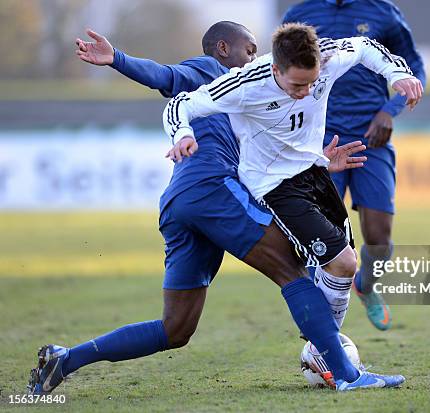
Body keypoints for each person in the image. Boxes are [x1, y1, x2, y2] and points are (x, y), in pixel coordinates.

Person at [28, 22, 378, 395]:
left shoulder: (254, 98)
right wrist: (117, 59)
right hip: (211, 189)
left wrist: (314, 162)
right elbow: (165, 75)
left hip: (182, 202)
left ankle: (65, 359)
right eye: (250, 49)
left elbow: (265, 161)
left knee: (175, 329)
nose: (255, 58)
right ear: (223, 48)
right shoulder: (212, 70)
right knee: (292, 271)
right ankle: (346, 375)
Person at [163, 22, 422, 390]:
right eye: (296, 85)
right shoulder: (246, 83)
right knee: (343, 261)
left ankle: (322, 351)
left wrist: (398, 75)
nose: (305, 92)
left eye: (312, 83)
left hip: (314, 171)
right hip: (273, 187)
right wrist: (183, 134)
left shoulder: (327, 58)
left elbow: (365, 46)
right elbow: (180, 104)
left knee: (340, 270)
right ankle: (337, 365)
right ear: (275, 69)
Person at [282, 0, 427, 331]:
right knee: (321, 234)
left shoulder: (383, 12)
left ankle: (367, 285)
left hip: (370, 136)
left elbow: (414, 65)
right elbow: (280, 71)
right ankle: (321, 321)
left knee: (379, 237)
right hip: (320, 141)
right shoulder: (299, 14)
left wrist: (391, 109)